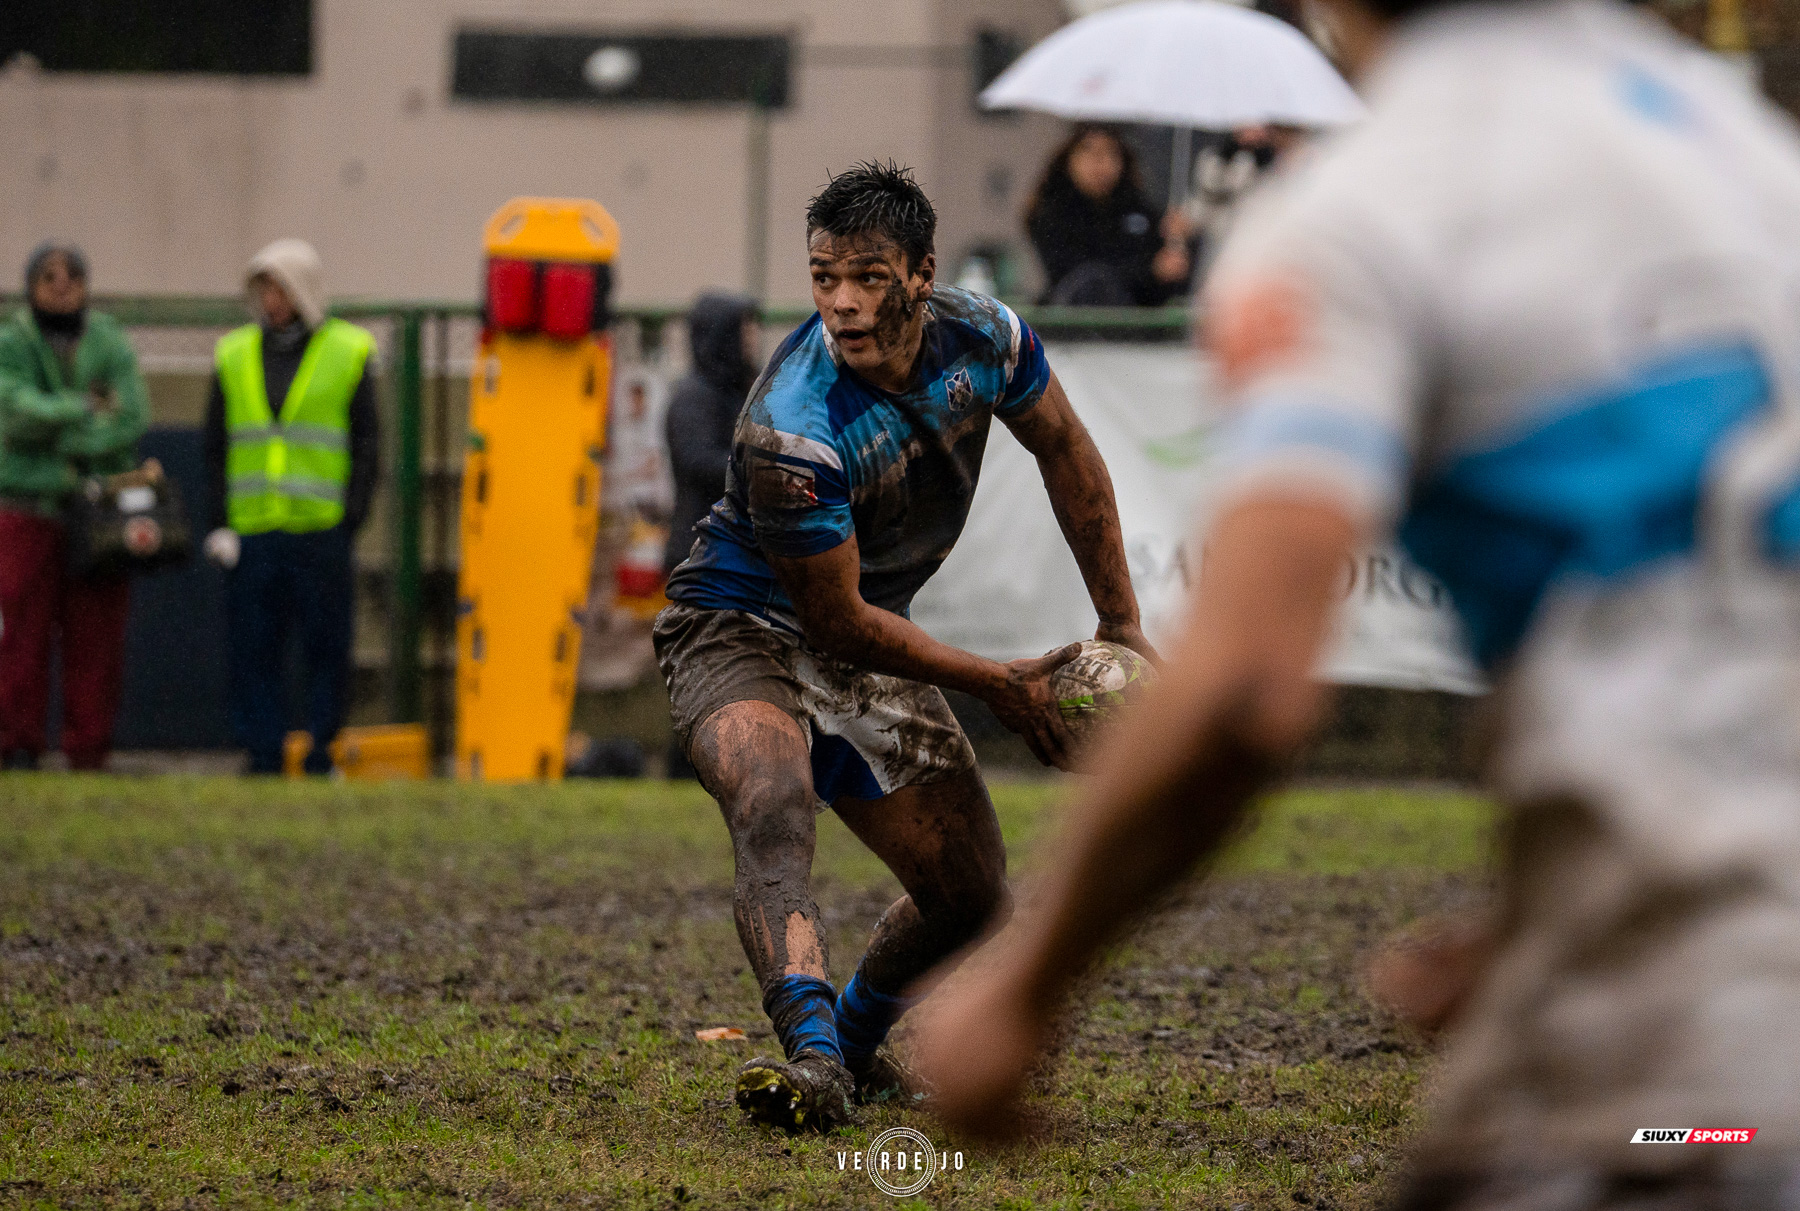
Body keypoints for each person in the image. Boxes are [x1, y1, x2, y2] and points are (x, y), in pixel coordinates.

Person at [915, 0, 1800, 1204]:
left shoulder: (1369, 210)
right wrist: (1536, 923)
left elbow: (1242, 692)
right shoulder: (1740, 143)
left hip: (1703, 1074)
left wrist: (1024, 985)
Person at [656, 161, 1154, 1131]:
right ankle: (808, 1056)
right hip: (740, 622)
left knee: (970, 896)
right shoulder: (789, 428)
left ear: (923, 273)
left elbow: (1065, 447)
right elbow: (832, 620)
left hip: (866, 639)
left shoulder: (989, 339)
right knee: (773, 794)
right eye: (822, 277)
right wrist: (1003, 683)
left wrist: (1122, 622)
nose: (841, 303)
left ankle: (846, 1048)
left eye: (868, 276)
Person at [202, 239, 379, 776]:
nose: (270, 300)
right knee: (253, 647)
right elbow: (215, 444)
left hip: (320, 529)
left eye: (279, 287)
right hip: (253, 530)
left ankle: (322, 748)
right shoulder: (232, 353)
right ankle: (262, 752)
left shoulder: (349, 350)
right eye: (263, 288)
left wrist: (350, 518)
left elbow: (368, 443)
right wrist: (220, 523)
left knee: (327, 647)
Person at [0, 243, 150, 771]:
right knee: (19, 634)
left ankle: (88, 750)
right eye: (48, 276)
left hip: (98, 512)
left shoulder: (108, 339)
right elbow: (14, 417)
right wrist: (86, 408)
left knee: (97, 640)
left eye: (73, 276)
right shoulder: (12, 341)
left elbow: (130, 416)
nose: (61, 284)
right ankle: (17, 745)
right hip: (27, 511)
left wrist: (55, 431)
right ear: (31, 286)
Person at [1025, 126, 1191, 307]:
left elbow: (1166, 279)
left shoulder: (1139, 210)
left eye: (1111, 153)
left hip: (1135, 321)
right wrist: (1149, 271)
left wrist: (1176, 241)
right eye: (1090, 151)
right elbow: (1074, 271)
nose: (1101, 163)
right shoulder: (1051, 212)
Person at [663, 292, 762, 576]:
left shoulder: (741, 389)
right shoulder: (694, 396)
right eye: (744, 330)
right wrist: (763, 465)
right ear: (723, 336)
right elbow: (697, 460)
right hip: (701, 551)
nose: (752, 337)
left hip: (735, 547)